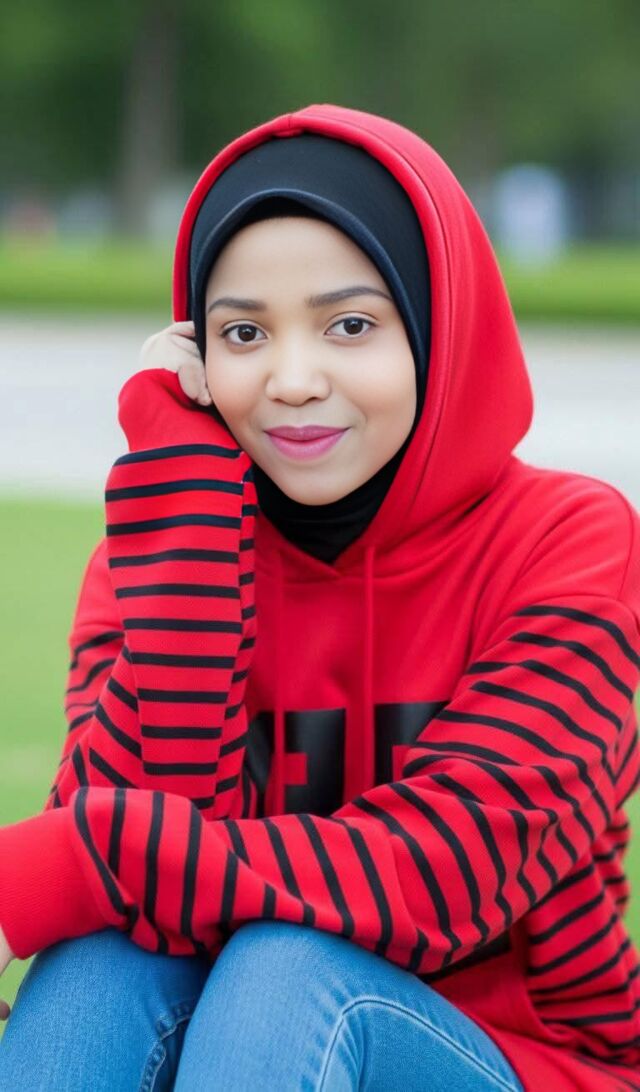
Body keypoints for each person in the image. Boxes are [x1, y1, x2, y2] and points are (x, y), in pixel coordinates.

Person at [0, 102, 638, 1091]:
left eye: (350, 325)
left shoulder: (568, 543)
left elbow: (441, 874)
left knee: (286, 968)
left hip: (517, 1061)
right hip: (238, 1049)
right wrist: (188, 505)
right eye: (243, 332)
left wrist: (67, 868)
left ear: (436, 325)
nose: (292, 380)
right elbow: (139, 870)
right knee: (99, 964)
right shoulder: (155, 553)